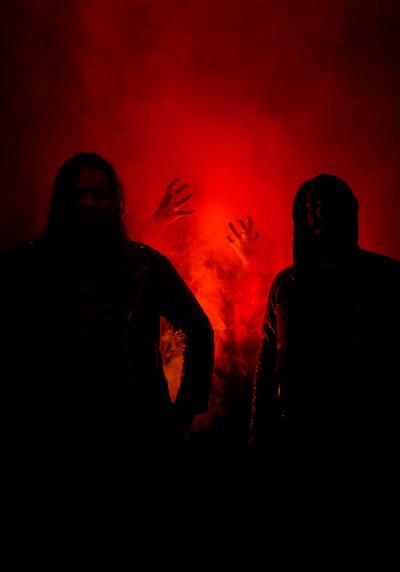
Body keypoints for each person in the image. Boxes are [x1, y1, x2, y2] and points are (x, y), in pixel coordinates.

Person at [0, 153, 214, 464]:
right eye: (78, 194)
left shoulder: (145, 265)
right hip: (46, 430)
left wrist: (184, 411)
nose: (88, 202)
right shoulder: (25, 264)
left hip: (132, 432)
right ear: (62, 200)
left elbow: (198, 328)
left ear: (114, 201)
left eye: (98, 194)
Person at [250, 174, 400, 462]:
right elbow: (266, 363)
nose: (319, 214)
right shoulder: (286, 285)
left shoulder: (387, 278)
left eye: (329, 205)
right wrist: (257, 434)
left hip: (368, 432)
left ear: (348, 212)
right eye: (311, 207)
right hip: (296, 434)